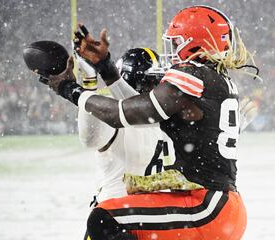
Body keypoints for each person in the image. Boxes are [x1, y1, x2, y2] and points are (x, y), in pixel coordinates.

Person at [46, 5, 259, 240]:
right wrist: (106, 69)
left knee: (104, 218)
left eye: (177, 42)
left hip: (206, 208)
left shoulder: (193, 74)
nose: (174, 50)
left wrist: (70, 90)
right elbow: (142, 114)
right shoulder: (217, 79)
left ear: (196, 42)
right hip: (223, 208)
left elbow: (124, 113)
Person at [76, 47, 175, 204]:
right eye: (152, 82)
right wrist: (89, 86)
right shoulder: (114, 109)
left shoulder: (165, 112)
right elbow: (90, 139)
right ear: (136, 83)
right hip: (119, 211)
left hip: (155, 212)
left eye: (159, 81)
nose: (158, 87)